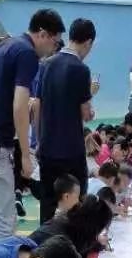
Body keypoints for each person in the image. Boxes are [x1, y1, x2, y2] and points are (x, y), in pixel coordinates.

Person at [0, 9, 65, 242]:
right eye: (55, 42)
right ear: (42, 34)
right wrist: (26, 157)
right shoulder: (27, 54)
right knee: (3, 223)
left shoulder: (5, 45)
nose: (53, 49)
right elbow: (20, 106)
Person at [33, 18, 96, 223]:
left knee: (49, 201)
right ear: (88, 42)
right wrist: (91, 94)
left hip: (48, 146)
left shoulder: (46, 64)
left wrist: (38, 139)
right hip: (71, 147)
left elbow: (38, 105)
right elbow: (86, 113)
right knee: (77, 200)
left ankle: (44, 247)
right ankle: (75, 246)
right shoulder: (81, 69)